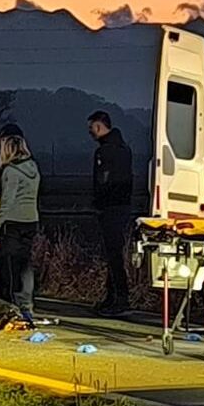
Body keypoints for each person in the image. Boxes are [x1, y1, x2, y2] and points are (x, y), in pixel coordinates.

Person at [88, 109, 134, 317]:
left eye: (91, 128)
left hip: (109, 208)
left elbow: (102, 181)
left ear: (98, 126)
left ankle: (119, 298)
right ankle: (114, 296)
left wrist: (99, 202)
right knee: (115, 253)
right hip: (123, 206)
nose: (90, 132)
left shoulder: (104, 152)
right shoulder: (124, 149)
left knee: (113, 255)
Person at [0, 130, 42, 327]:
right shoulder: (33, 167)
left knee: (10, 266)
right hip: (31, 220)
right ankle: (27, 304)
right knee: (25, 264)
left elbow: (7, 201)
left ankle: (13, 305)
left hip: (12, 222)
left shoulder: (10, 172)